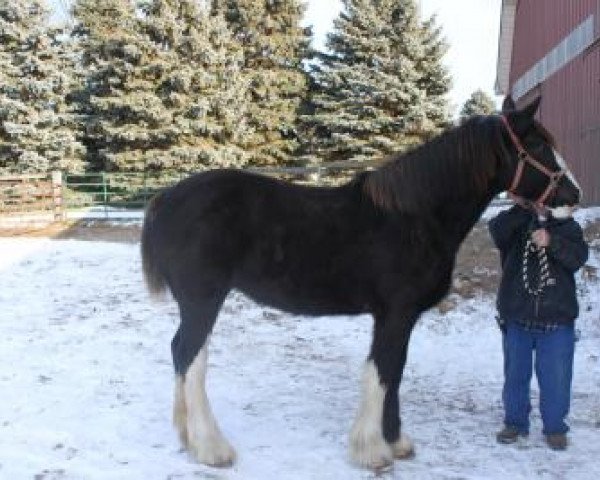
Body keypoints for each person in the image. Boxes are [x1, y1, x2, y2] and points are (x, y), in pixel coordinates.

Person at [488, 195, 588, 451]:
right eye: (536, 197)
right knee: (515, 377)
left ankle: (555, 428)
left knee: (556, 379)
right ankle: (515, 423)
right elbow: (496, 230)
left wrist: (551, 241)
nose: (542, 202)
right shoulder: (515, 223)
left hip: (556, 319)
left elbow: (577, 258)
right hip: (517, 316)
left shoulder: (568, 227)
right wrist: (523, 208)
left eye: (546, 198)